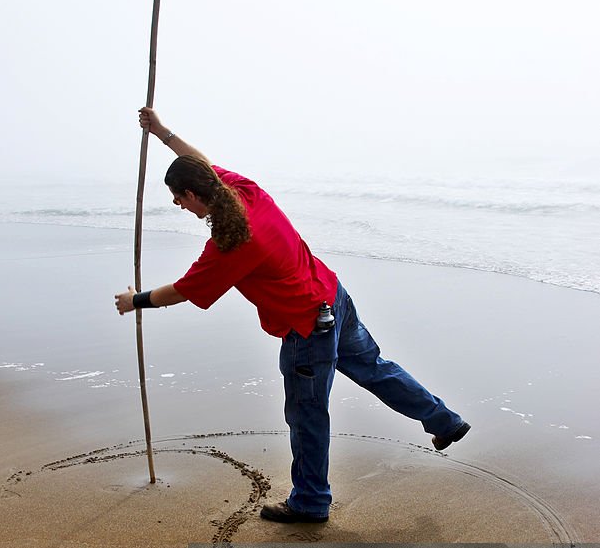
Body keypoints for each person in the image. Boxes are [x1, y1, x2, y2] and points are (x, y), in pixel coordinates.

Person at [115, 108, 470, 524]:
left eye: (177, 196)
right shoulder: (244, 189)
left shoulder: (231, 246)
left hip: (308, 327)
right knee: (375, 368)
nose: (176, 204)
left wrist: (135, 300)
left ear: (194, 196)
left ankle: (310, 502)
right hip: (333, 295)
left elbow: (183, 290)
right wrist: (162, 133)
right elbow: (202, 163)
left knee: (307, 415)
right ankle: (444, 421)